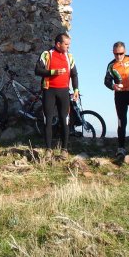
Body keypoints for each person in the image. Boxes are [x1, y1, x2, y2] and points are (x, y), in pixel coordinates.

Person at [35, 32, 79, 161]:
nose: (68, 47)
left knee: (64, 120)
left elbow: (74, 74)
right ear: (58, 44)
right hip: (49, 90)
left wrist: (76, 89)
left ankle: (64, 150)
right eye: (66, 44)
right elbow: (37, 70)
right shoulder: (47, 54)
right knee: (47, 120)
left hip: (64, 92)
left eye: (69, 44)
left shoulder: (69, 57)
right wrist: (52, 72)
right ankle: (48, 150)